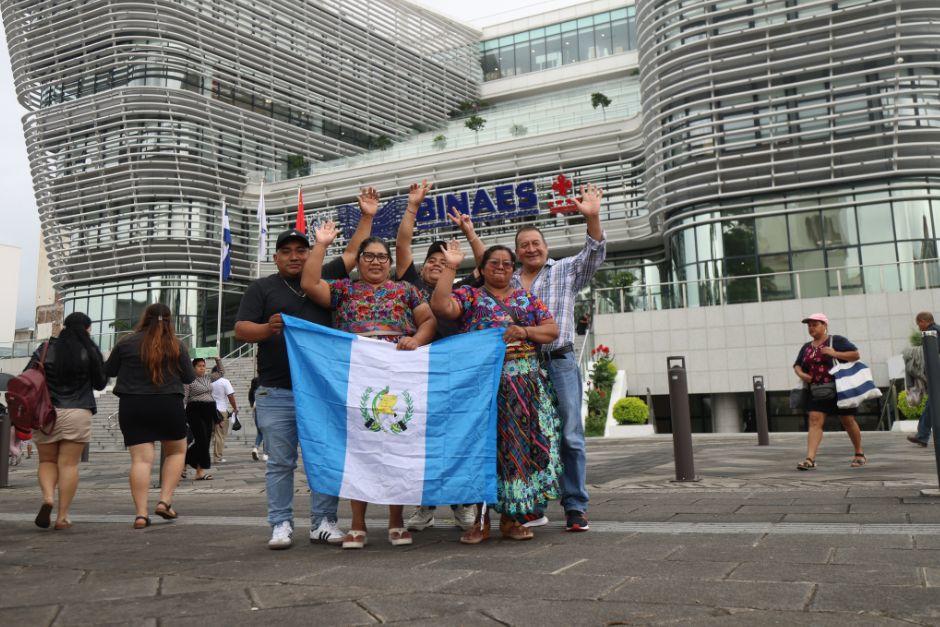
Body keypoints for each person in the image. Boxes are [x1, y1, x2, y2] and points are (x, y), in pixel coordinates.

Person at [234, 188, 377, 550]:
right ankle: (280, 524)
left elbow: (352, 252)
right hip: (276, 390)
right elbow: (241, 329)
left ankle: (324, 522)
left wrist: (366, 217)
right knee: (279, 462)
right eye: (287, 252)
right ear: (277, 257)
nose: (295, 256)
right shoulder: (261, 288)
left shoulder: (325, 276)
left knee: (324, 456)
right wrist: (268, 329)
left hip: (322, 389)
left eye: (302, 250)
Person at [303, 222, 436, 549]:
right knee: (357, 448)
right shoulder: (343, 289)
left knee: (397, 445)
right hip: (356, 378)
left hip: (397, 375)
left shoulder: (406, 290)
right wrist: (321, 244)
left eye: (382, 257)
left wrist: (415, 340)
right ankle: (357, 523)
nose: (376, 262)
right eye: (369, 257)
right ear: (358, 261)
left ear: (389, 263)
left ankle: (395, 520)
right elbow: (308, 283)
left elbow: (429, 321)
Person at [431, 241, 562, 543]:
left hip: (524, 387)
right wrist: (451, 266)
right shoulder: (470, 296)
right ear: (482, 268)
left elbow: (552, 330)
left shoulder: (526, 300)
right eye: (494, 263)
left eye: (506, 263)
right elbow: (440, 306)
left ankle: (512, 519)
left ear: (513, 269)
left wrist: (525, 331)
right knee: (483, 449)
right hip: (483, 388)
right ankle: (480, 521)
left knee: (518, 451)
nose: (501, 268)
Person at [511, 183, 606, 532]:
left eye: (536, 243)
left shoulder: (564, 270)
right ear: (517, 252)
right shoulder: (509, 281)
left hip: (560, 361)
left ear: (545, 247)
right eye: (525, 245)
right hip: (523, 368)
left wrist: (592, 217)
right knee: (531, 434)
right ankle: (533, 504)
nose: (531, 248)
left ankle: (575, 506)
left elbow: (594, 253)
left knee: (569, 434)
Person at [394, 180, 485, 533]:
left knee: (459, 437)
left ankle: (463, 504)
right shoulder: (410, 283)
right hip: (414, 375)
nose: (436, 264)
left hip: (455, 375)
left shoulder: (461, 291)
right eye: (431, 260)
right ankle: (424, 507)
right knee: (420, 440)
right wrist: (413, 206)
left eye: (442, 261)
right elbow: (402, 244)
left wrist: (469, 231)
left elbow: (485, 263)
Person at [105, 303, 196, 528]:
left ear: (145, 318)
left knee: (141, 460)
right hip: (168, 403)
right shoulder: (177, 345)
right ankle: (165, 501)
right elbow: (189, 378)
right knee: (176, 451)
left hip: (133, 405)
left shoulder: (126, 342)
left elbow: (109, 370)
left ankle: (141, 514)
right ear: (169, 321)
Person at [26, 312, 107, 530]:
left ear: (64, 327)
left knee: (46, 462)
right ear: (88, 329)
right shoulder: (90, 351)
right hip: (78, 411)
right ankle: (62, 516)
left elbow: (28, 377)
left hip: (47, 413)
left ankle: (47, 498)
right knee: (69, 464)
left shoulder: (45, 349)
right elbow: (100, 384)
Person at [793, 313, 866, 470]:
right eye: (809, 325)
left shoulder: (836, 340)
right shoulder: (806, 347)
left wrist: (835, 353)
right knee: (814, 420)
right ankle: (810, 459)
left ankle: (859, 453)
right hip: (817, 390)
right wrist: (801, 374)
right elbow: (797, 364)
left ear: (824, 325)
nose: (811, 328)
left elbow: (855, 355)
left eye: (815, 324)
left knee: (847, 421)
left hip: (839, 389)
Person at [183, 358, 221, 479]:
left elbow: (221, 373)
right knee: (202, 441)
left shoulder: (208, 378)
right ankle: (193, 467)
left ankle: (198, 470)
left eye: (204, 366)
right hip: (195, 411)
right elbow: (184, 398)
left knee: (206, 441)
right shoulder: (188, 380)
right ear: (193, 368)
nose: (202, 368)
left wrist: (218, 361)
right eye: (199, 366)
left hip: (208, 411)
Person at [908, 311, 940, 447]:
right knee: (931, 405)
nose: (918, 327)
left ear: (923, 321)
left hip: (937, 375)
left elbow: (932, 353)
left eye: (918, 324)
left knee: (932, 404)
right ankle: (922, 435)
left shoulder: (932, 333)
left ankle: (922, 435)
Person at [210, 365, 237, 464]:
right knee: (220, 435)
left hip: (210, 409)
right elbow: (230, 396)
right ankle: (217, 458)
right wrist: (235, 408)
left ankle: (202, 456)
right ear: (220, 372)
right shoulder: (224, 381)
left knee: (210, 434)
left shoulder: (210, 382)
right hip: (221, 411)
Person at [248, 376, 267, 461]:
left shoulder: (252, 392)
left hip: (256, 414)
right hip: (264, 413)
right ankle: (266, 454)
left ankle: (255, 449)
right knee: (266, 433)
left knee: (260, 433)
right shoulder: (261, 391)